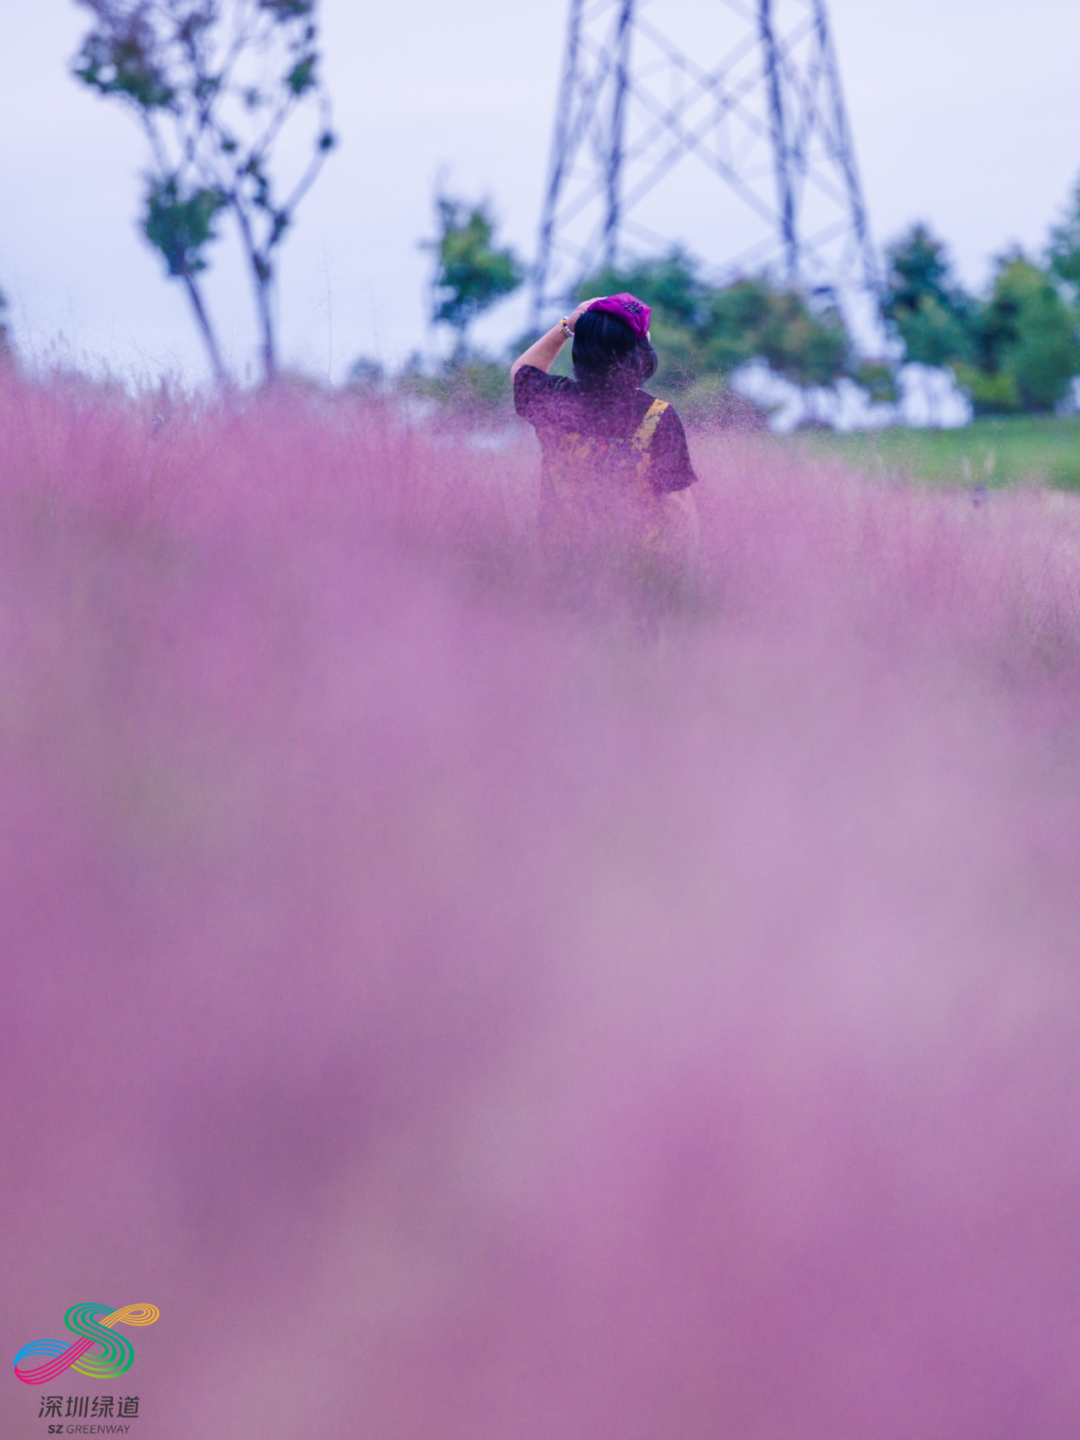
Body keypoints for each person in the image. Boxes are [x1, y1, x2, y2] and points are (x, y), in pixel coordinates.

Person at [510, 293, 699, 568]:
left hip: (561, 567)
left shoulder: (554, 400)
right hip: (638, 572)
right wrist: (694, 573)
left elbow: (522, 370)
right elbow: (678, 508)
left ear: (581, 349)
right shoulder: (657, 416)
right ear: (640, 352)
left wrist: (567, 326)